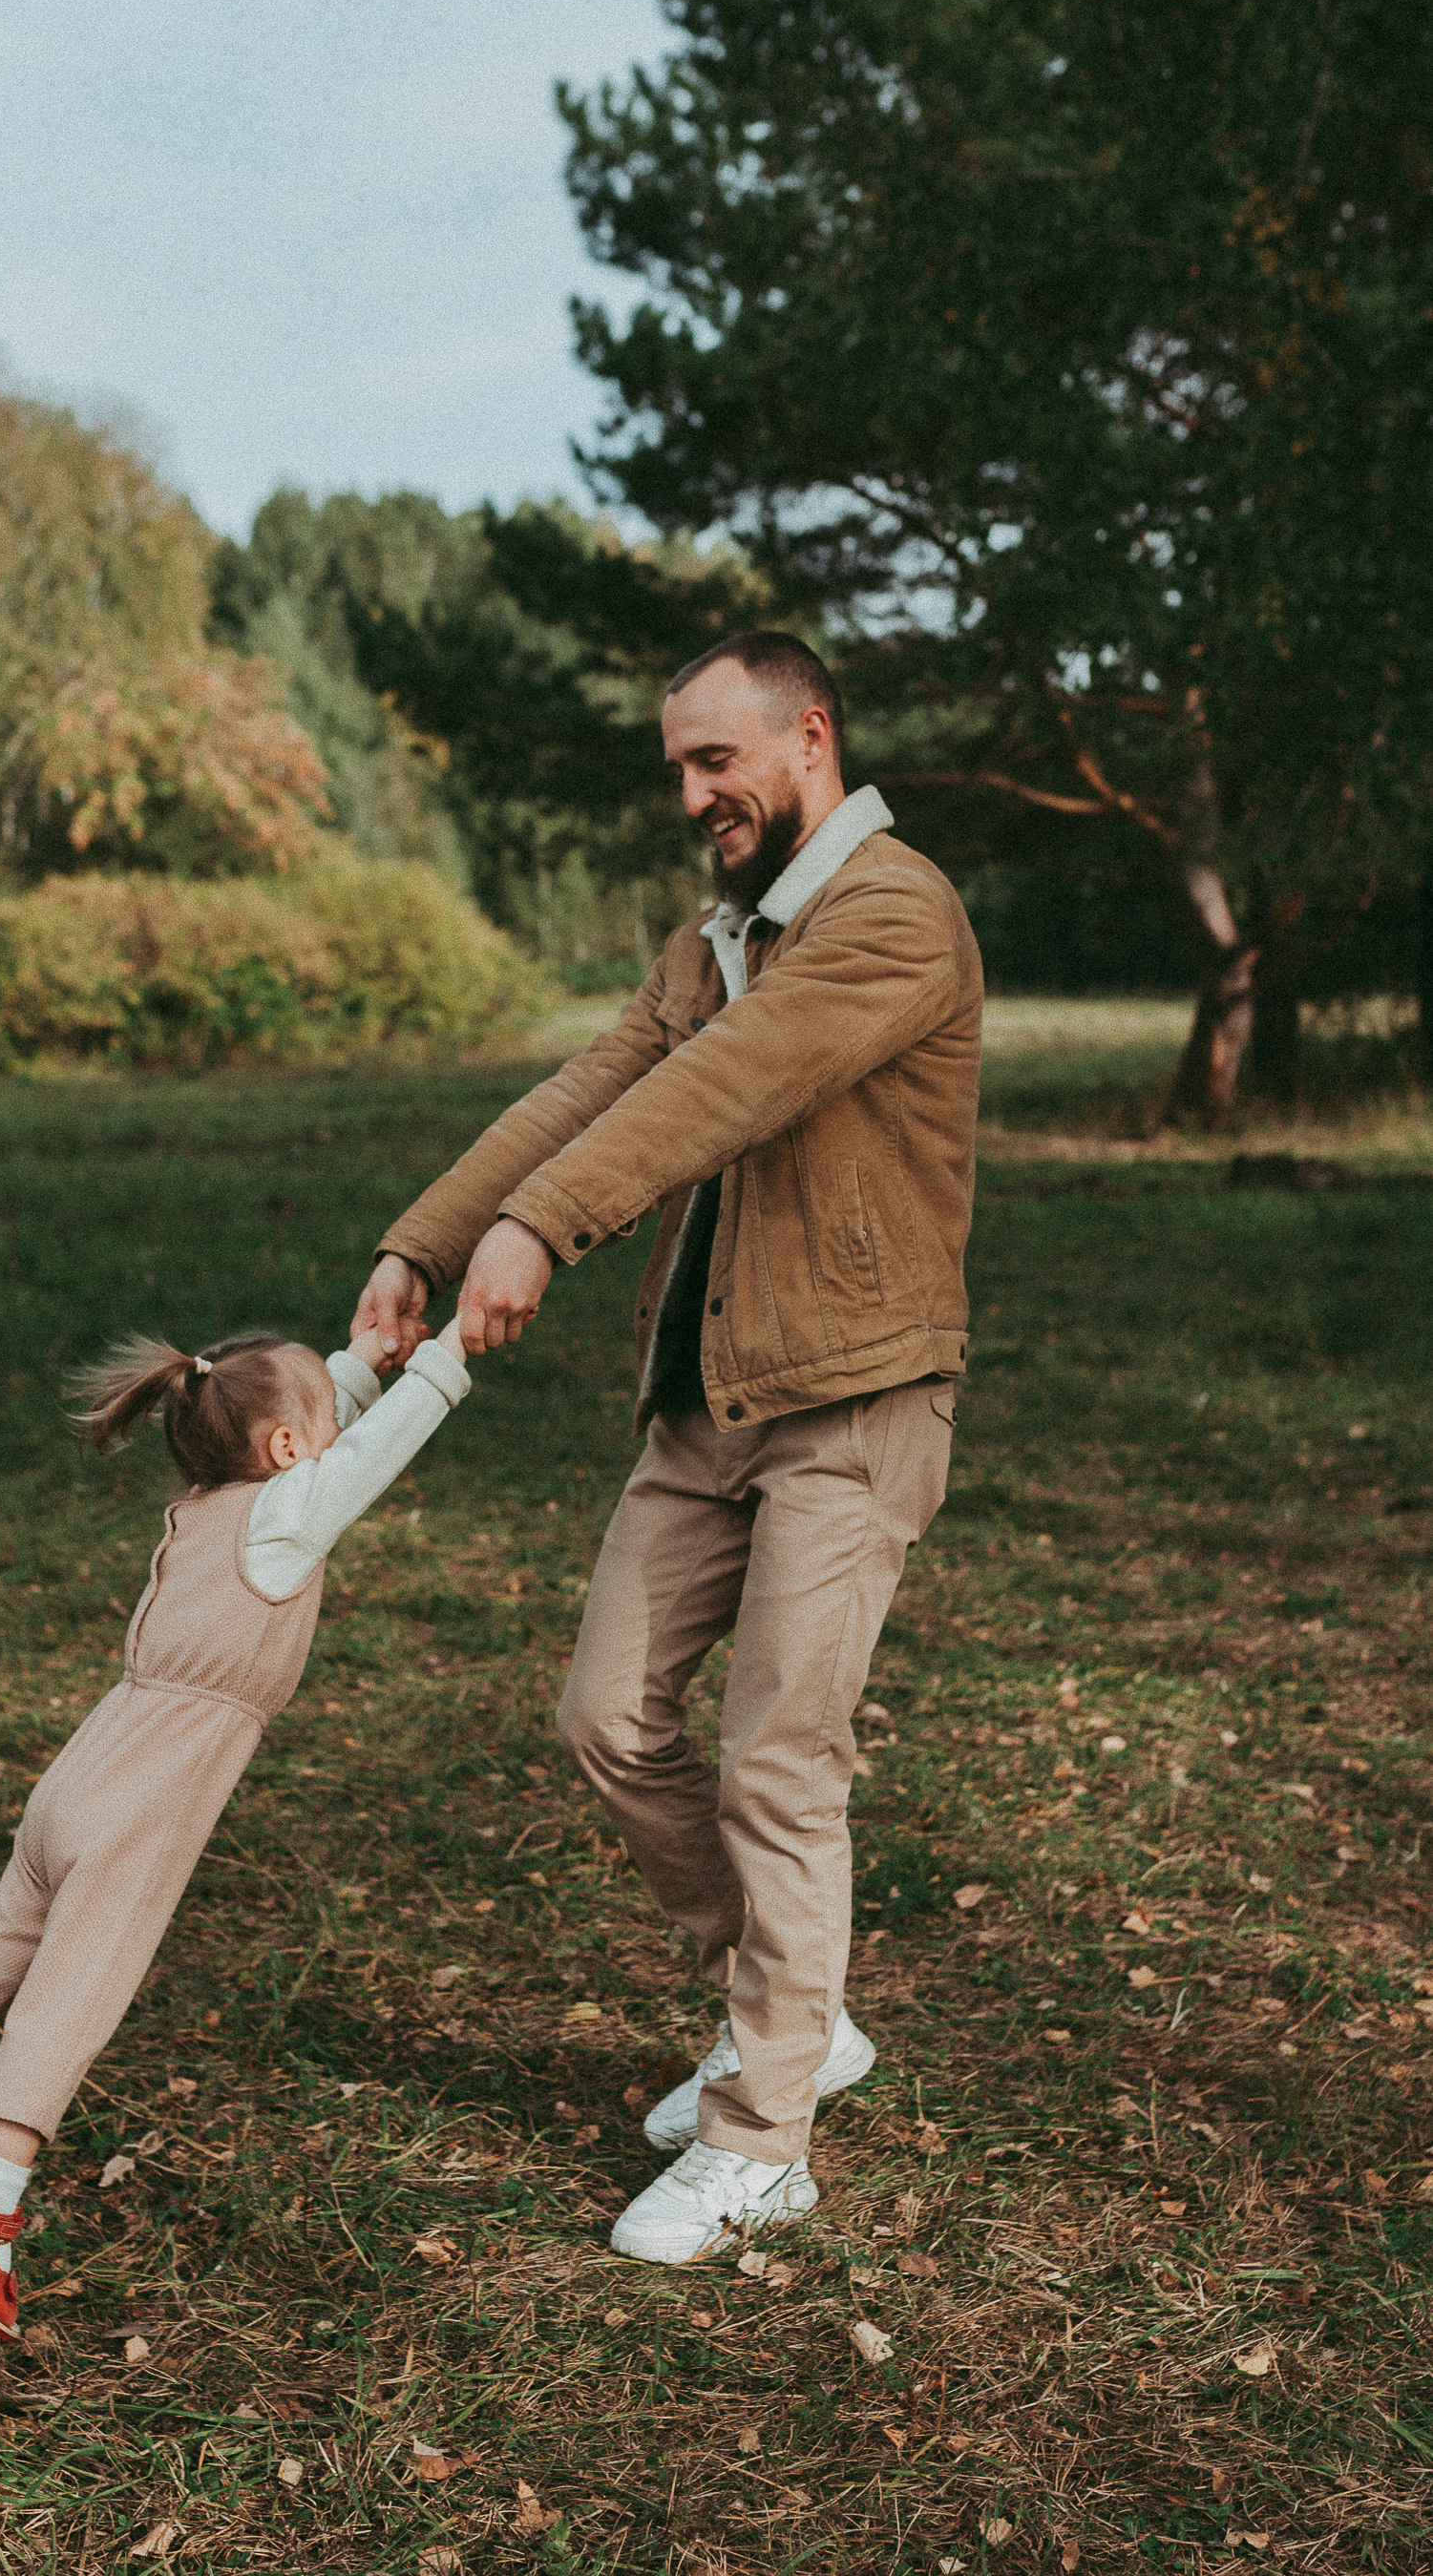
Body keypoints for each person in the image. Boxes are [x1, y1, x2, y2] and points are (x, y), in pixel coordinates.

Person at [353, 632, 980, 2267]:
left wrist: (542, 1235)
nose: (692, 795)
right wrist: (425, 1242)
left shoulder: (890, 912)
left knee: (777, 1759)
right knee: (607, 1721)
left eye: (716, 763)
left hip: (852, 1401)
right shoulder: (712, 941)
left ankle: (764, 2130)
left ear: (809, 739)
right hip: (703, 1401)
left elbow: (732, 1087)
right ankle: (795, 2003)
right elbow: (593, 1085)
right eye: (677, 771)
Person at [0, 1315, 470, 2338]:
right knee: (75, 1986)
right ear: (285, 1448)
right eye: (320, 1416)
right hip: (144, 1803)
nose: (331, 1431)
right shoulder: (286, 1517)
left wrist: (360, 1359)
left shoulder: (207, 1510)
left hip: (79, 1774)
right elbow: (359, 1456)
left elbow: (308, 1429)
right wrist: (443, 1363)